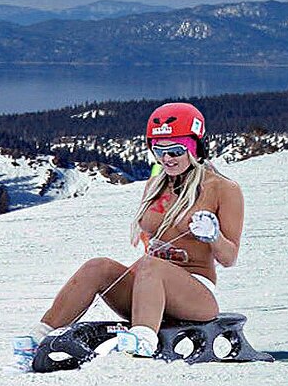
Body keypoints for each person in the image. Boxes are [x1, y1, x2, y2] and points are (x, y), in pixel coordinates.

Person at [22, 101, 244, 358]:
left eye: (175, 150)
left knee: (151, 265)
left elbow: (229, 258)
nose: (167, 159)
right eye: (159, 151)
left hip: (195, 294)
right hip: (148, 290)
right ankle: (36, 340)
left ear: (195, 147)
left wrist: (214, 236)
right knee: (98, 267)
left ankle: (142, 343)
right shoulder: (157, 181)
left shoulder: (223, 189)